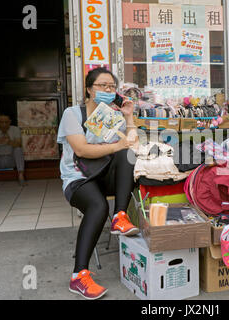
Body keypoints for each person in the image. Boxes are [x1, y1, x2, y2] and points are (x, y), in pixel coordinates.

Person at [57, 67, 139, 300]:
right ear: (89, 89)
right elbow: (81, 149)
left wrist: (128, 116)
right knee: (98, 207)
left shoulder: (112, 116)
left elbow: (131, 145)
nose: (108, 90)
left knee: (128, 156)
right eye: (102, 86)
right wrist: (116, 146)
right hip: (78, 179)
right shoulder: (73, 114)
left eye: (112, 87)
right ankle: (79, 276)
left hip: (103, 175)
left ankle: (120, 216)